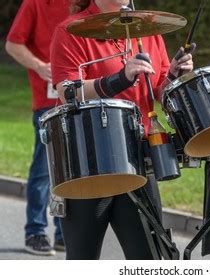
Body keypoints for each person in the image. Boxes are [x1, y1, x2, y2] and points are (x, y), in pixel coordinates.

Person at [50, 0, 194, 259]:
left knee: (149, 259)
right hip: (88, 160)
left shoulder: (148, 28)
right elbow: (67, 91)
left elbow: (159, 88)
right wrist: (120, 79)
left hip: (138, 155)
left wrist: (173, 75)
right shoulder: (70, 29)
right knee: (83, 260)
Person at [5, 0, 69, 256]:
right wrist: (40, 66)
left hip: (83, 98)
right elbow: (12, 44)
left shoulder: (88, 5)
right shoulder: (36, 3)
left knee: (74, 171)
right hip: (47, 100)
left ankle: (64, 233)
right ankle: (35, 231)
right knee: (44, 169)